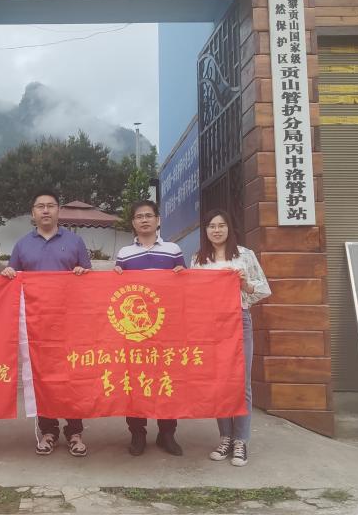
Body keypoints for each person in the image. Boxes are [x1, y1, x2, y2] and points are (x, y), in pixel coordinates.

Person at [0, 189, 91, 456]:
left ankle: (74, 431)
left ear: (58, 210)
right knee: (41, 376)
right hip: (36, 324)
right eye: (40, 206)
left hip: (69, 322)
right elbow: (13, 278)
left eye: (51, 205)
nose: (46, 210)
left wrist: (82, 272)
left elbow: (89, 278)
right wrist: (8, 272)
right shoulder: (22, 245)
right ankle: (48, 430)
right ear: (33, 213)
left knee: (72, 376)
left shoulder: (75, 242)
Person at [190, 209, 270, 467]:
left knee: (241, 381)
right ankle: (225, 437)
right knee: (219, 382)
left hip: (239, 320)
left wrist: (245, 285)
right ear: (205, 231)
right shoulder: (198, 259)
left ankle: (241, 440)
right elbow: (193, 296)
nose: (216, 230)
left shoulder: (244, 255)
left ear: (229, 228)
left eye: (221, 225)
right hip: (211, 326)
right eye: (211, 226)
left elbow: (263, 289)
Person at [112, 200, 186, 456]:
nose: (144, 220)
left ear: (158, 220)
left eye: (148, 215)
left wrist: (181, 272)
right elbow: (118, 291)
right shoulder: (124, 253)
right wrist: (115, 275)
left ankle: (167, 433)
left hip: (167, 329)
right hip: (135, 332)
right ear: (133, 223)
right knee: (134, 381)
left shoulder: (173, 249)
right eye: (139, 216)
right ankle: (137, 434)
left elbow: (185, 288)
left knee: (167, 379)